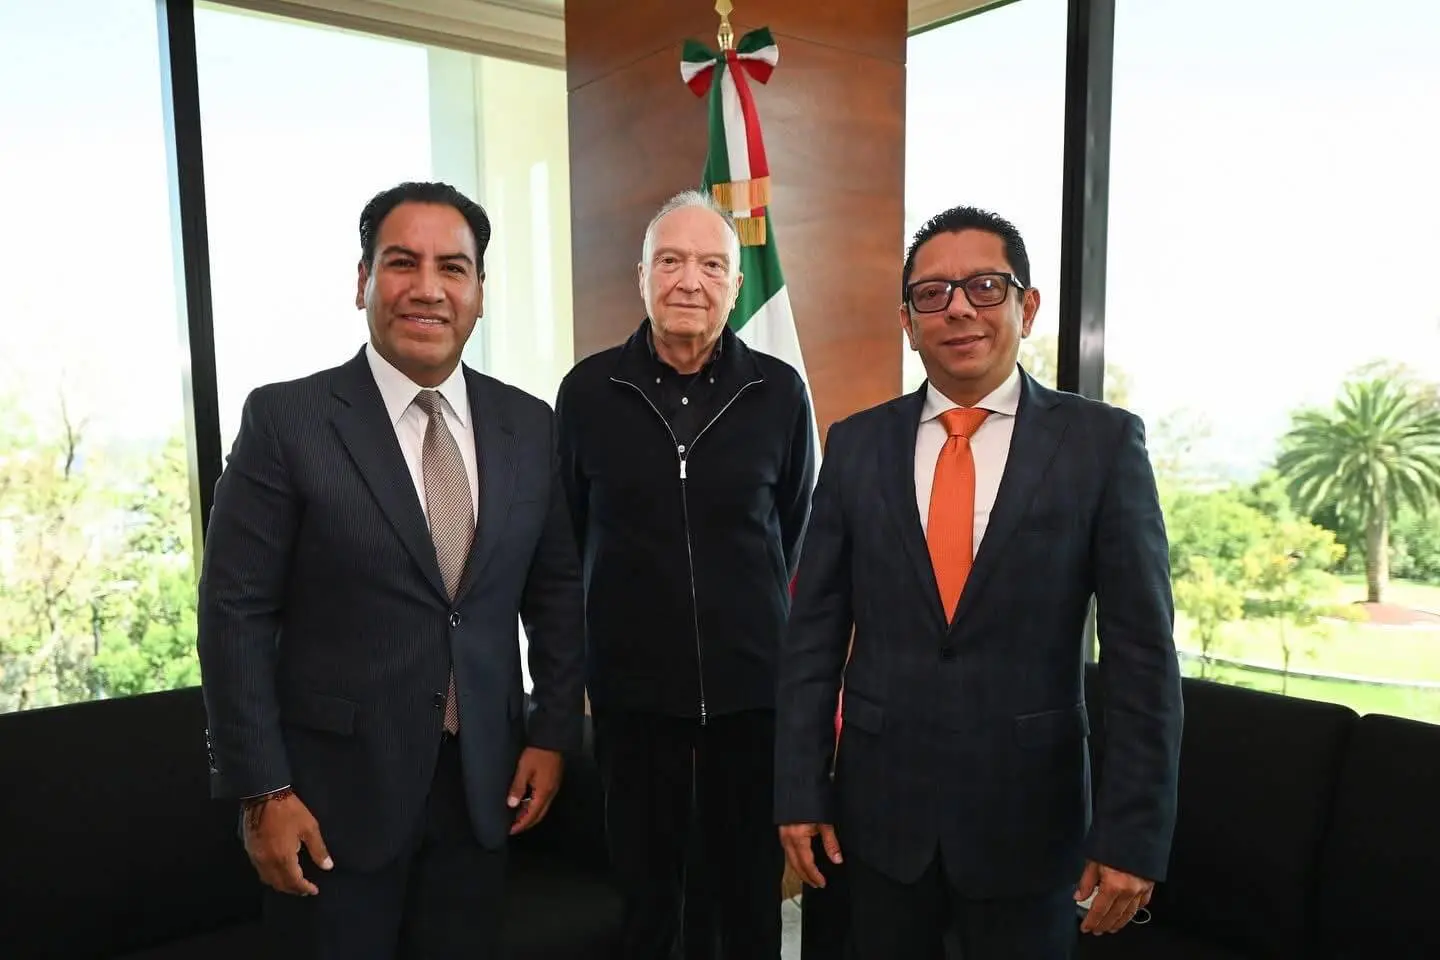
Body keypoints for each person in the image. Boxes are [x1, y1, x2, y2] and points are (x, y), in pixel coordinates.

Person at [775, 205, 1183, 958]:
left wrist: (1132, 833)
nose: (958, 306)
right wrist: (799, 789)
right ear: (908, 320)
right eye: (932, 293)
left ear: (1027, 308)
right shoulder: (857, 445)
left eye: (985, 287)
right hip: (876, 821)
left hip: (1032, 825)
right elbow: (812, 639)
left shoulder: (1101, 446)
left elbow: (1142, 657)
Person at [196, 181, 585, 960]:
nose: (429, 288)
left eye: (454, 266)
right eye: (402, 262)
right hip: (332, 801)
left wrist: (551, 733)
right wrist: (263, 791)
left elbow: (556, 593)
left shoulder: (527, 423)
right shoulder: (287, 421)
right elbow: (232, 614)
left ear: (480, 292)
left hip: (482, 789)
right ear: (362, 281)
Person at [555, 189, 815, 959]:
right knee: (647, 906)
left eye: (711, 264)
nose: (689, 280)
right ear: (642, 276)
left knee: (747, 907)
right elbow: (568, 540)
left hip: (752, 702)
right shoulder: (587, 393)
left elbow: (790, 533)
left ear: (737, 287)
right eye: (670, 260)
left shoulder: (779, 393)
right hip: (634, 705)